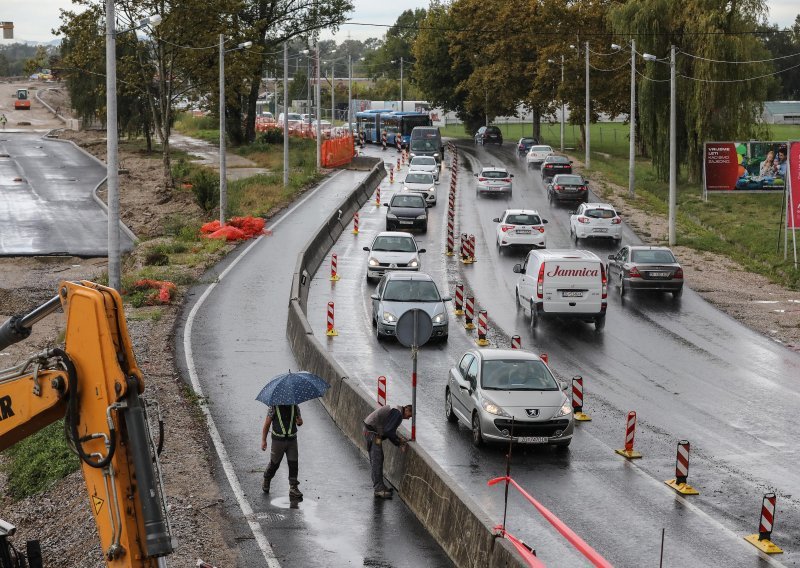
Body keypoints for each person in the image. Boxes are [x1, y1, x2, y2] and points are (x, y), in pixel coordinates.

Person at [363, 404, 412, 499]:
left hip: (371, 432)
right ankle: (378, 489)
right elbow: (388, 431)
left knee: (378, 459)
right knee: (377, 461)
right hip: (372, 434)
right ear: (406, 409)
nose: (409, 418)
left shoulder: (396, 412)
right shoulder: (398, 414)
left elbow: (388, 430)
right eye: (409, 415)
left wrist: (398, 439)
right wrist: (399, 443)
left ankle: (380, 486)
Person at [261, 404, 303, 500]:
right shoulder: (273, 407)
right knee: (274, 464)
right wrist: (264, 440)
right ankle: (267, 478)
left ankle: (293, 487)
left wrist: (300, 422)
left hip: (292, 440)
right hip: (278, 441)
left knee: (293, 464)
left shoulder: (295, 407)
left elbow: (299, 421)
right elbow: (267, 424)